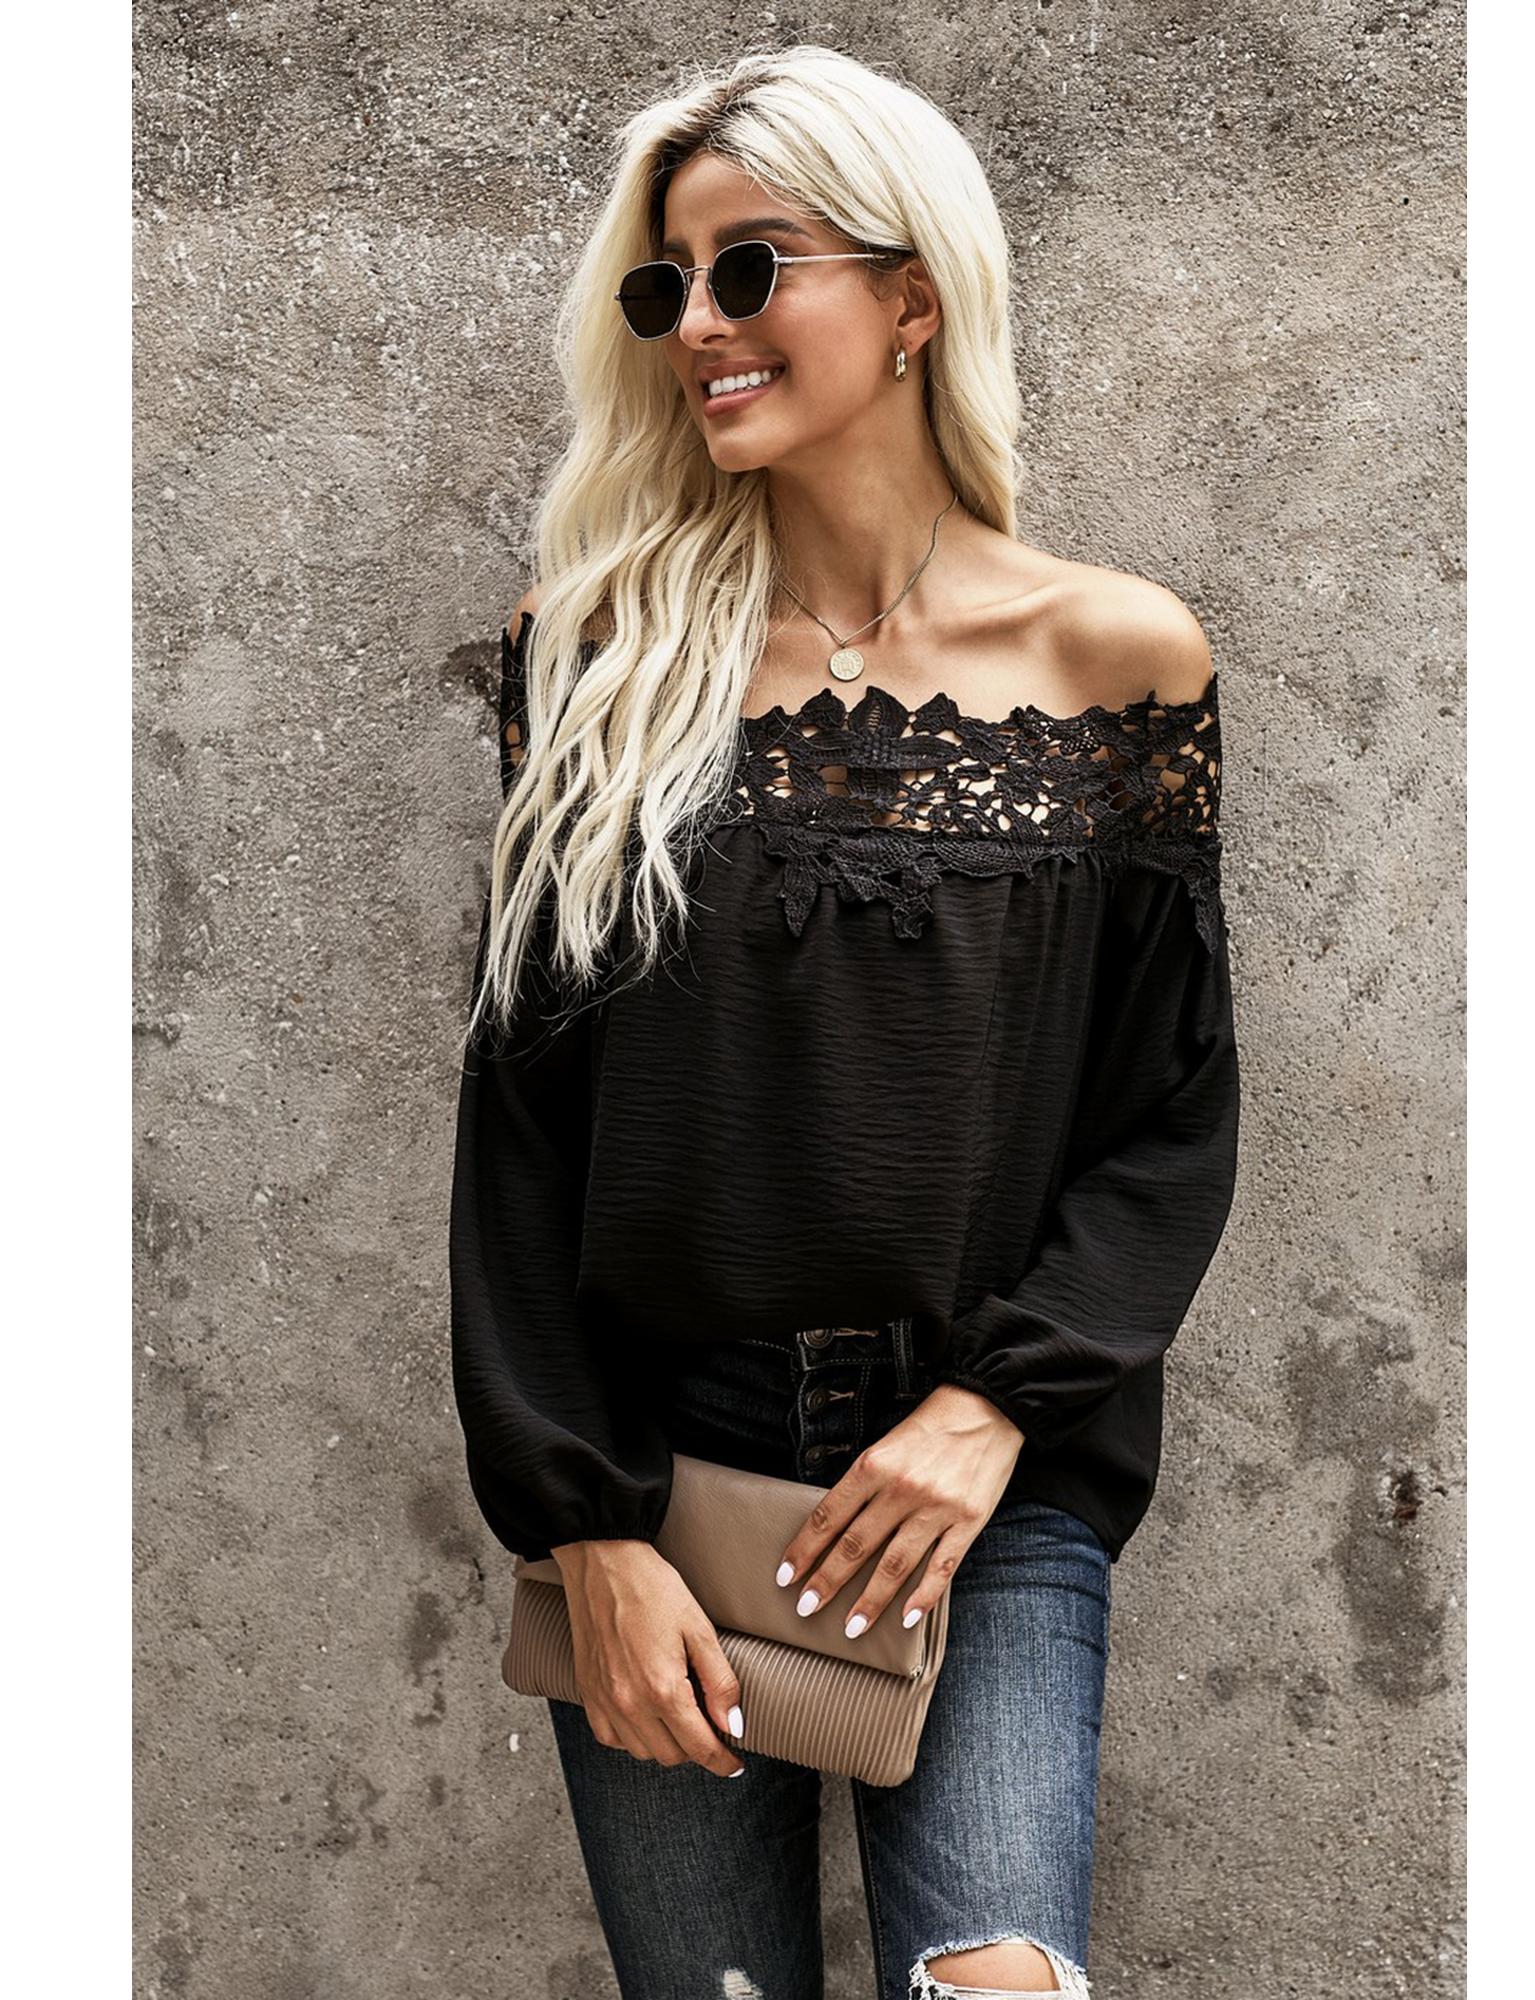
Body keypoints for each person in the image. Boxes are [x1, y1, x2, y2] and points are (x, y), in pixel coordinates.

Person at [448, 44, 1241, 2000]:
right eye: (668, 286)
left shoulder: (1117, 658)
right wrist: (586, 1526)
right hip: (664, 1465)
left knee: (998, 1984)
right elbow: (522, 1126)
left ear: (910, 297)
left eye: (750, 269)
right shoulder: (594, 657)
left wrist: (991, 1414)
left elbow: (1167, 1109)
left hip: (982, 1472)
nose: (698, 326)